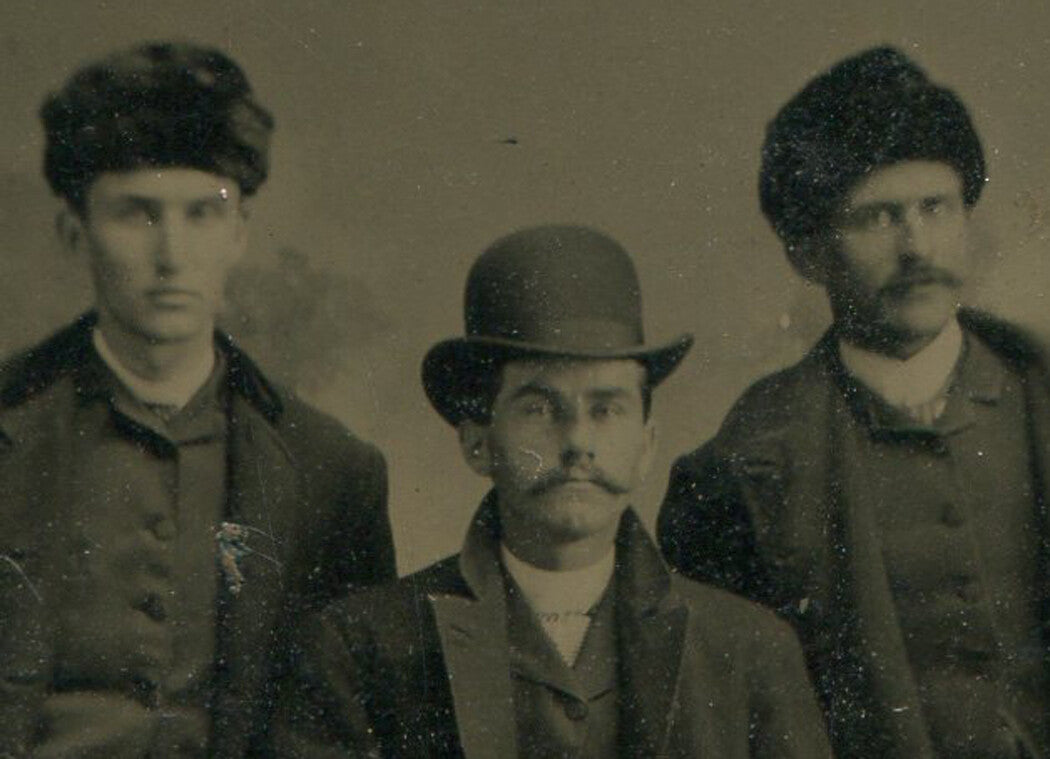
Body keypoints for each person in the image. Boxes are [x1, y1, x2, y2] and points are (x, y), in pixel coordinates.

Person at [274, 225, 831, 758]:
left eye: (607, 409)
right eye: (539, 409)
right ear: (478, 442)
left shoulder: (749, 650)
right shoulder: (364, 647)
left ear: (646, 444)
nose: (577, 441)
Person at [0, 42, 395, 757]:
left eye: (202, 214)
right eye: (137, 214)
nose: (172, 254)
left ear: (240, 232)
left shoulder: (332, 472)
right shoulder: (10, 429)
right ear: (73, 231)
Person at [658, 46, 1050, 759]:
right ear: (807, 254)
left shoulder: (1038, 393)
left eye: (936, 206)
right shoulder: (738, 472)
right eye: (876, 218)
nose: (917, 246)